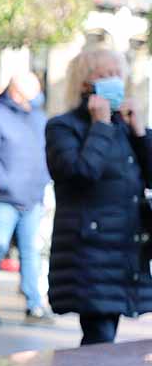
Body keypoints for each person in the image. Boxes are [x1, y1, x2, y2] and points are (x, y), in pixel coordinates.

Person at [46, 48, 152, 345]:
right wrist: (101, 126)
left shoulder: (126, 127)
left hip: (125, 247)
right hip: (90, 250)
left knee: (104, 336)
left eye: (117, 75)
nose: (113, 81)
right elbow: (80, 173)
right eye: (104, 75)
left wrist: (141, 132)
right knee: (100, 336)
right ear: (84, 83)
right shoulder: (63, 127)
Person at [0, 72, 52, 325]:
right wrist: (6, 183)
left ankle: (34, 304)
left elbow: (46, 153)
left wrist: (41, 183)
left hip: (32, 199)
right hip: (2, 199)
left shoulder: (38, 118)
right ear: (17, 91)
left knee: (30, 252)